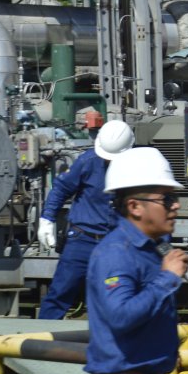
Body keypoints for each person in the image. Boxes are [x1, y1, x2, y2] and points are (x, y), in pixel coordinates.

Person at [85, 146, 188, 374]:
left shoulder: (150, 250)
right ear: (134, 206)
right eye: (166, 199)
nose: (175, 206)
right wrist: (167, 278)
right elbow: (121, 315)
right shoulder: (117, 253)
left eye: (174, 198)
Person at [37, 119, 135, 319]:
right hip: (82, 239)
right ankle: (42, 333)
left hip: (115, 243)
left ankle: (111, 336)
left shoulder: (138, 167)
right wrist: (46, 219)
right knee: (61, 292)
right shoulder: (87, 161)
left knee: (115, 296)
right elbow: (61, 189)